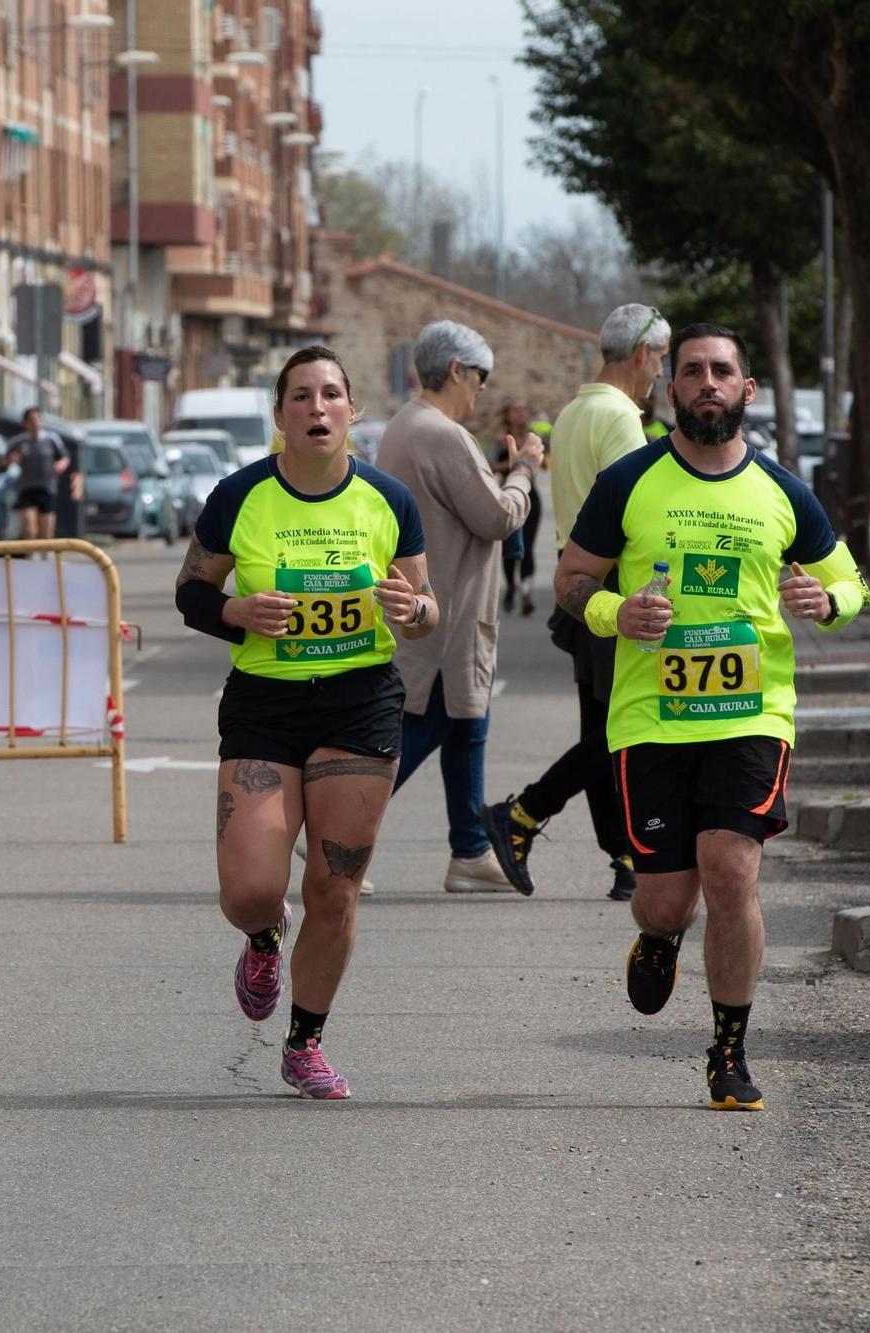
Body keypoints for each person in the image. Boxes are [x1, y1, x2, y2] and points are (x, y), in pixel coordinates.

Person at [554, 322, 868, 1111]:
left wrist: (825, 601)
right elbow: (570, 578)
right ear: (670, 388)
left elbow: (852, 583)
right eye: (691, 370)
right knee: (666, 897)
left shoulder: (783, 492)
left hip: (751, 714)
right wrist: (614, 613)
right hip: (652, 720)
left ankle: (728, 1052)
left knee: (732, 871)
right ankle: (659, 936)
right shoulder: (628, 482)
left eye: (721, 371)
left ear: (746, 390)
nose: (706, 383)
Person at [174, 345, 437, 1100]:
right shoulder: (240, 495)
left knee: (335, 887)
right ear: (280, 413)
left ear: (352, 410)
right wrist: (236, 611)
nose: (316, 408)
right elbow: (191, 591)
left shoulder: (389, 499)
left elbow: (424, 608)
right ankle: (262, 937)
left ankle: (305, 1041)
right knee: (250, 889)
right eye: (300, 396)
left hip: (360, 701)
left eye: (330, 395)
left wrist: (412, 610)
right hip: (266, 703)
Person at [479, 302, 668, 903]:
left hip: (576, 585)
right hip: (610, 589)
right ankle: (523, 815)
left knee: (601, 725)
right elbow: (631, 516)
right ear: (642, 353)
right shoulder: (621, 418)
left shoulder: (575, 411)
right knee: (619, 733)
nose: (661, 372)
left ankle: (623, 858)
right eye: (661, 358)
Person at [377, 321, 540, 893]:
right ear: (454, 371)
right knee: (436, 721)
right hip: (449, 607)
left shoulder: (405, 425)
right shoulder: (442, 433)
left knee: (465, 722)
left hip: (436, 602)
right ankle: (340, 824)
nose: (482, 391)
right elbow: (496, 516)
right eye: (480, 377)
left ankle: (470, 849)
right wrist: (524, 472)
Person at [489, 400, 546, 617]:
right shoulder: (500, 440)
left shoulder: (534, 439)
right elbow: (489, 464)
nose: (521, 414)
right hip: (507, 495)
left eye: (524, 410)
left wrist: (533, 458)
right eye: (516, 410)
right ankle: (511, 586)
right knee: (510, 549)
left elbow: (545, 463)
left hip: (531, 496)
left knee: (528, 546)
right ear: (508, 414)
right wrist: (517, 463)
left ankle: (526, 591)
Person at [2, 408, 68, 540]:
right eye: (31, 420)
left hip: (47, 488)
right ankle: (30, 557)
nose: (35, 423)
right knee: (30, 530)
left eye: (38, 419)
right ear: (26, 423)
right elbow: (2, 462)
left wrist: (61, 464)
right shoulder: (18, 442)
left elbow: (64, 457)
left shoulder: (52, 439)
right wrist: (10, 460)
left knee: (46, 534)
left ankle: (44, 559)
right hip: (26, 489)